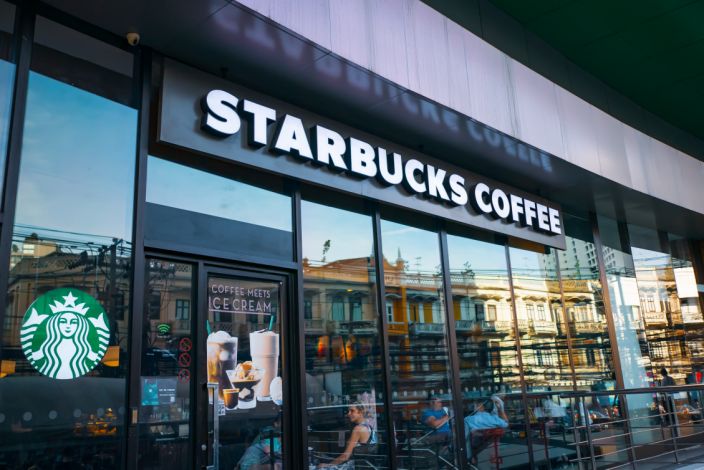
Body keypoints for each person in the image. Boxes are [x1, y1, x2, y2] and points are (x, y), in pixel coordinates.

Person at [317, 403, 376, 469]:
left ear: (360, 412)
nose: (348, 414)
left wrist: (328, 465)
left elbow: (345, 456)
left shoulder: (358, 429)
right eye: (348, 411)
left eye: (352, 411)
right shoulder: (368, 426)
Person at [464, 398, 509, 466]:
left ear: (480, 407)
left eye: (475, 406)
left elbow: (465, 438)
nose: (474, 407)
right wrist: (501, 410)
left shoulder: (468, 420)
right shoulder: (494, 419)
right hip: (491, 448)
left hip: (475, 450)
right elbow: (506, 423)